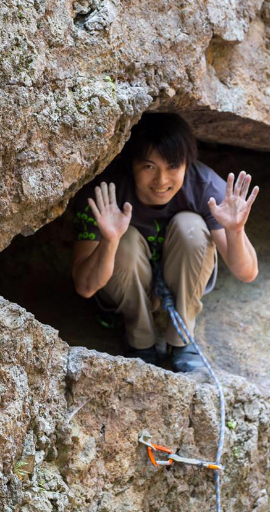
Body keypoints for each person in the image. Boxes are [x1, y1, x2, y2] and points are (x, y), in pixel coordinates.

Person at [71, 113, 259, 371]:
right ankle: (139, 339)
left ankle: (181, 339)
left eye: (173, 166)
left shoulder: (205, 187)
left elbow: (247, 272)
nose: (161, 181)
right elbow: (85, 287)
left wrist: (235, 230)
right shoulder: (106, 194)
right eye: (149, 166)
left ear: (187, 164)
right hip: (127, 288)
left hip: (179, 282)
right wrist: (109, 241)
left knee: (191, 228)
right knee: (121, 241)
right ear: (131, 164)